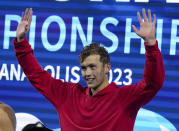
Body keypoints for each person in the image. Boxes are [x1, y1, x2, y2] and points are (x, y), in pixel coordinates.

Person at [13, 8, 165, 131]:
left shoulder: (125, 98)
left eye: (93, 67)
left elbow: (153, 83)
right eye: (84, 68)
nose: (87, 73)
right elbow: (37, 76)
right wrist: (21, 42)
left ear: (107, 67)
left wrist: (151, 44)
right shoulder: (67, 95)